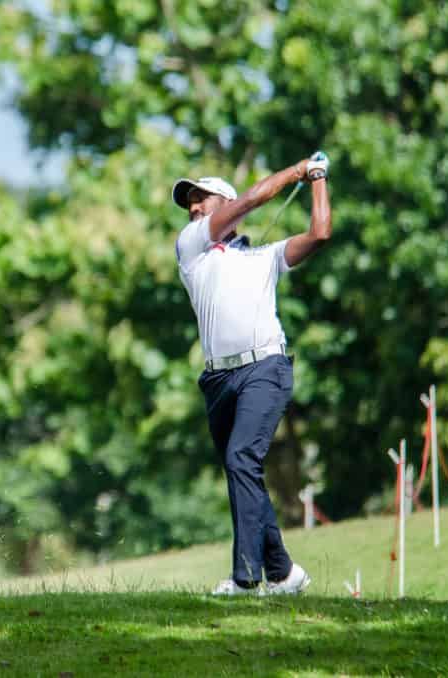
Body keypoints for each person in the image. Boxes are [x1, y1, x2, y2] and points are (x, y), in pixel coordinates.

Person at [172, 152, 331, 596]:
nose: (194, 208)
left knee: (242, 458)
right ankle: (283, 573)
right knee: (240, 468)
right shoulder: (192, 250)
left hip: (266, 367)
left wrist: (314, 176)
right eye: (191, 204)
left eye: (202, 199)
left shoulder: (265, 257)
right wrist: (294, 170)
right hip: (218, 381)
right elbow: (250, 204)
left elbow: (320, 233)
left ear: (224, 201)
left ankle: (246, 578)